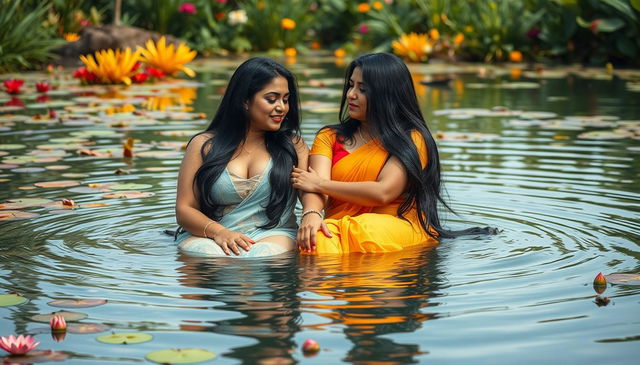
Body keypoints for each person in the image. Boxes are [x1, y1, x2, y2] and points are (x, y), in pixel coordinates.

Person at [292, 53, 492, 254]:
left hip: (395, 225)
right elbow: (316, 189)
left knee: (358, 231)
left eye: (362, 89)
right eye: (351, 85)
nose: (351, 94)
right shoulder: (330, 136)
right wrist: (311, 213)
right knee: (314, 240)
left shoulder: (412, 139)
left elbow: (384, 192)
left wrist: (320, 184)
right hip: (336, 226)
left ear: (387, 95)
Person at [175, 57, 310, 257]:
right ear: (245, 101)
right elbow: (184, 209)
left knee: (262, 255)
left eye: (286, 99)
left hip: (273, 233)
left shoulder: (293, 146)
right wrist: (219, 232)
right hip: (211, 235)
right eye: (272, 99)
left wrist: (311, 214)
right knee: (205, 253)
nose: (282, 107)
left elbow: (310, 194)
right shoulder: (203, 146)